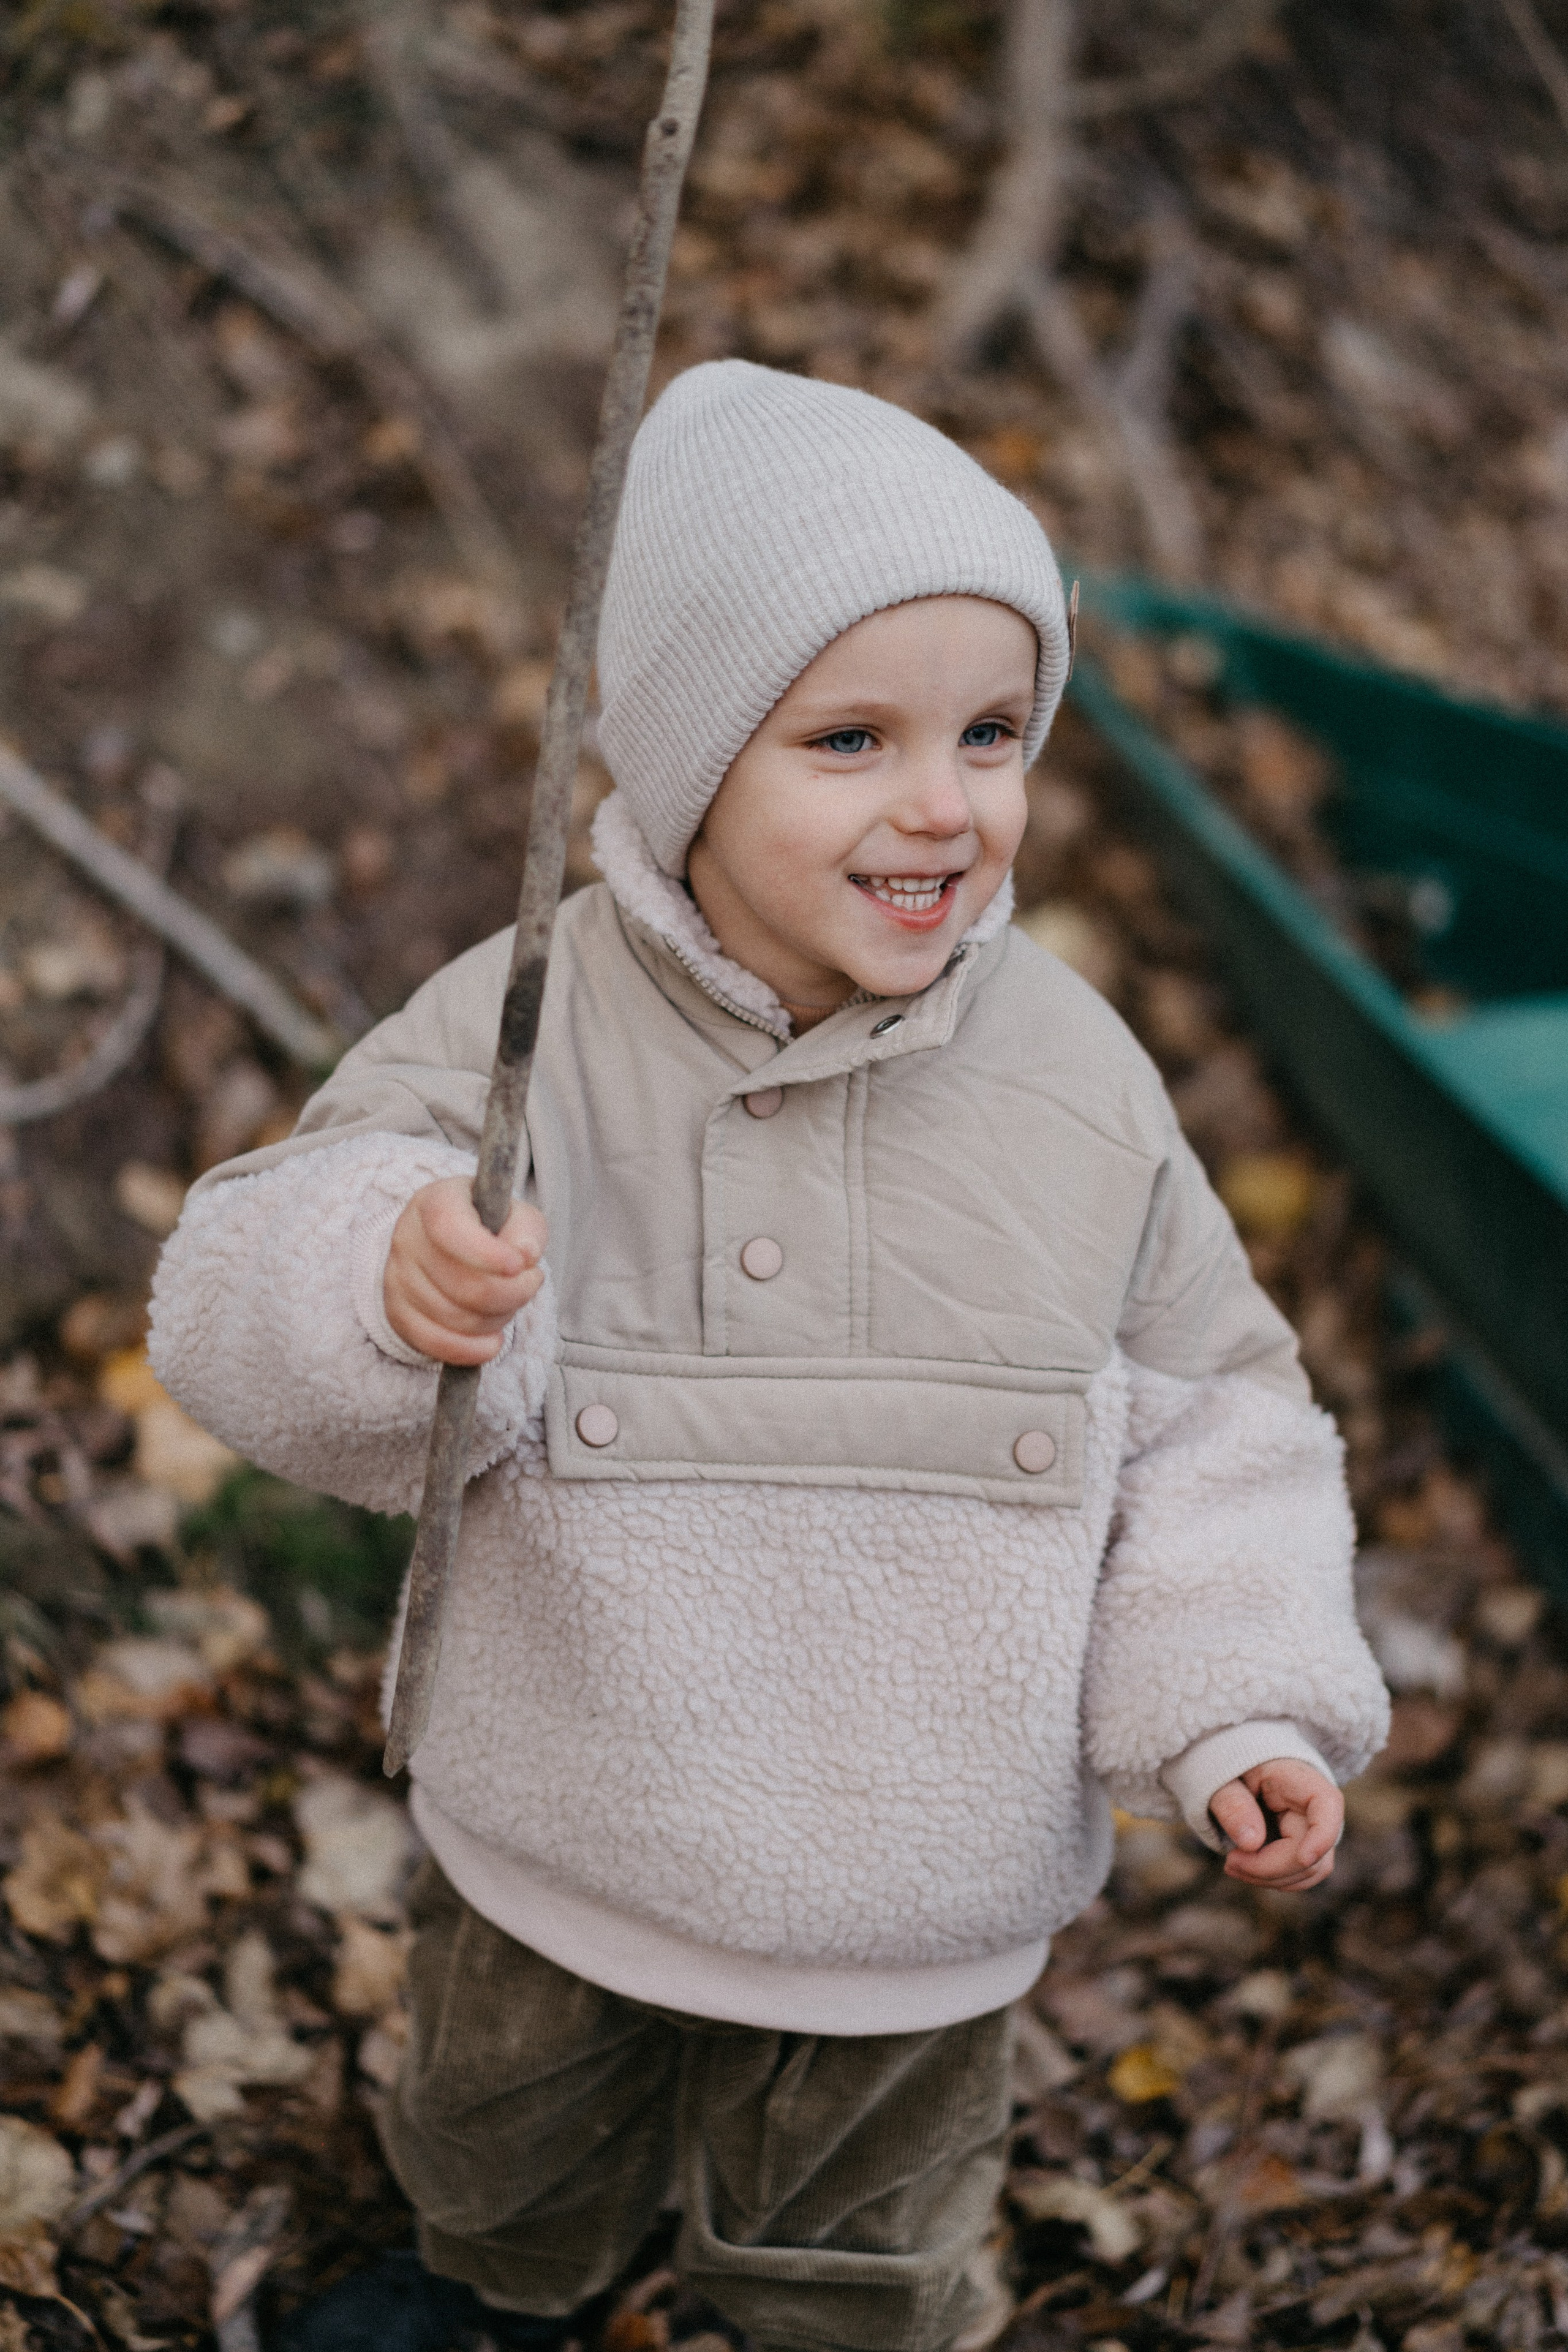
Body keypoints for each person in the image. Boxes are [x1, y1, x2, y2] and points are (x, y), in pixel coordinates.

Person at [149, 360, 1388, 2352]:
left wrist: (1235, 1707)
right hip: (565, 1825)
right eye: (850, 738)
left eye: (993, 733)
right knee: (502, 2147)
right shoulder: (531, 1016)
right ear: (684, 755)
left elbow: (1217, 1417)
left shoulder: (1078, 1083)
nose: (942, 802)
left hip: (918, 1911)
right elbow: (240, 1269)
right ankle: (496, 2289)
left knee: (858, 2257)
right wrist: (385, 1285)